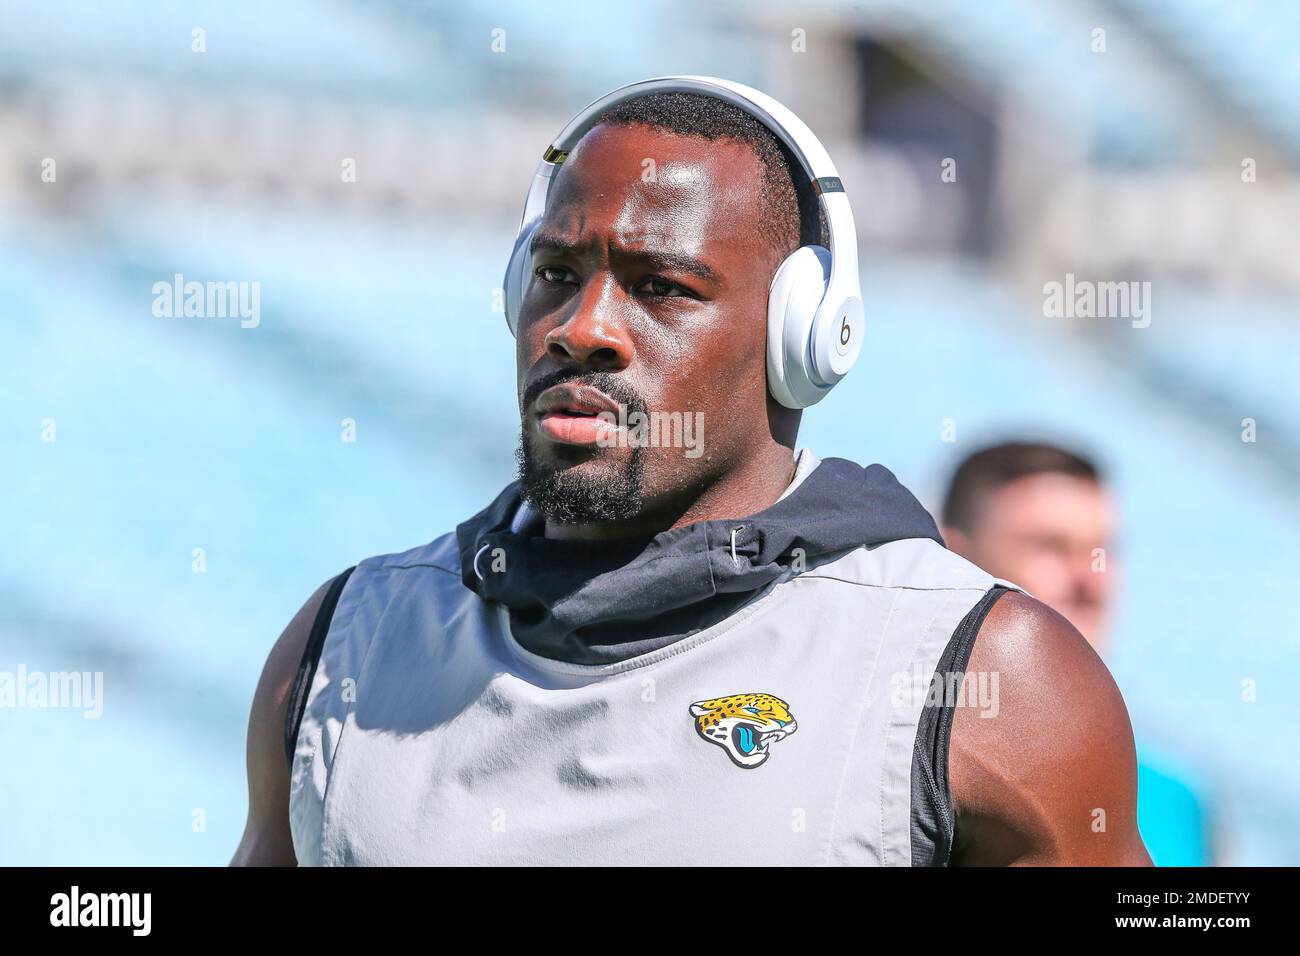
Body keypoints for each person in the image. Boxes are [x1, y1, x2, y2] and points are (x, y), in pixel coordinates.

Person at [232, 78, 1149, 866]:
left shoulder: (987, 677)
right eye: (556, 272)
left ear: (802, 337)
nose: (581, 329)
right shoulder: (339, 649)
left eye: (662, 286)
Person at [940, 440, 1210, 865]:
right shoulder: (906, 773)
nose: (1092, 581)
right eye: (1051, 546)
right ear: (956, 560)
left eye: (1103, 551)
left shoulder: (1177, 803)